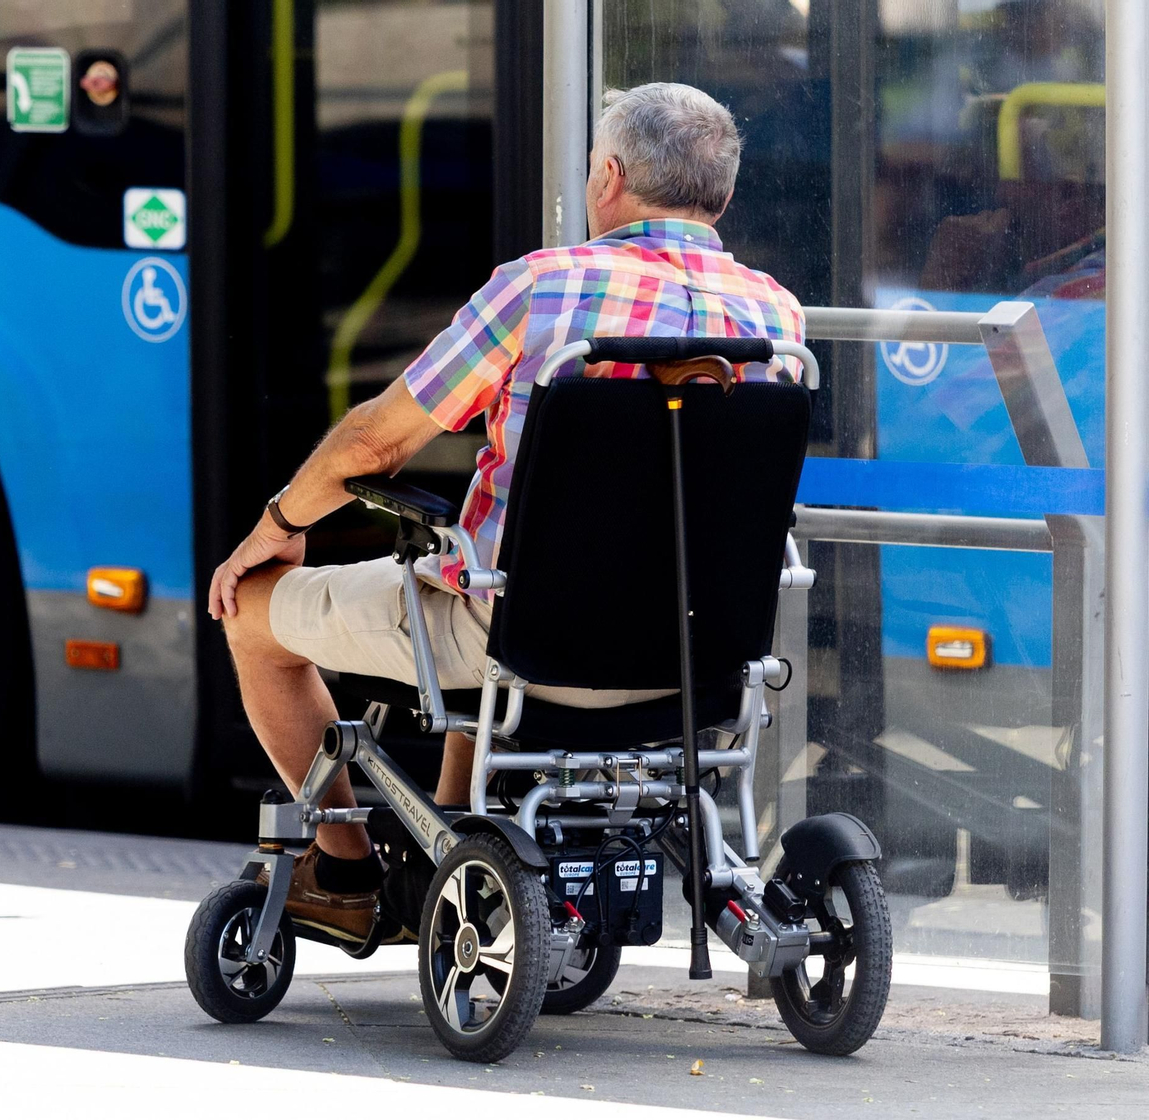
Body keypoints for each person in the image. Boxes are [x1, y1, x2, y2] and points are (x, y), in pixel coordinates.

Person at [208, 82, 805, 944]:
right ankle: (446, 854)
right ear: (723, 194)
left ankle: (340, 865)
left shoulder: (541, 291)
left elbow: (375, 443)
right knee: (480, 576)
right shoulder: (774, 317)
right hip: (697, 657)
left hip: (525, 640)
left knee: (253, 614)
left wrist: (279, 525)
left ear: (608, 177)